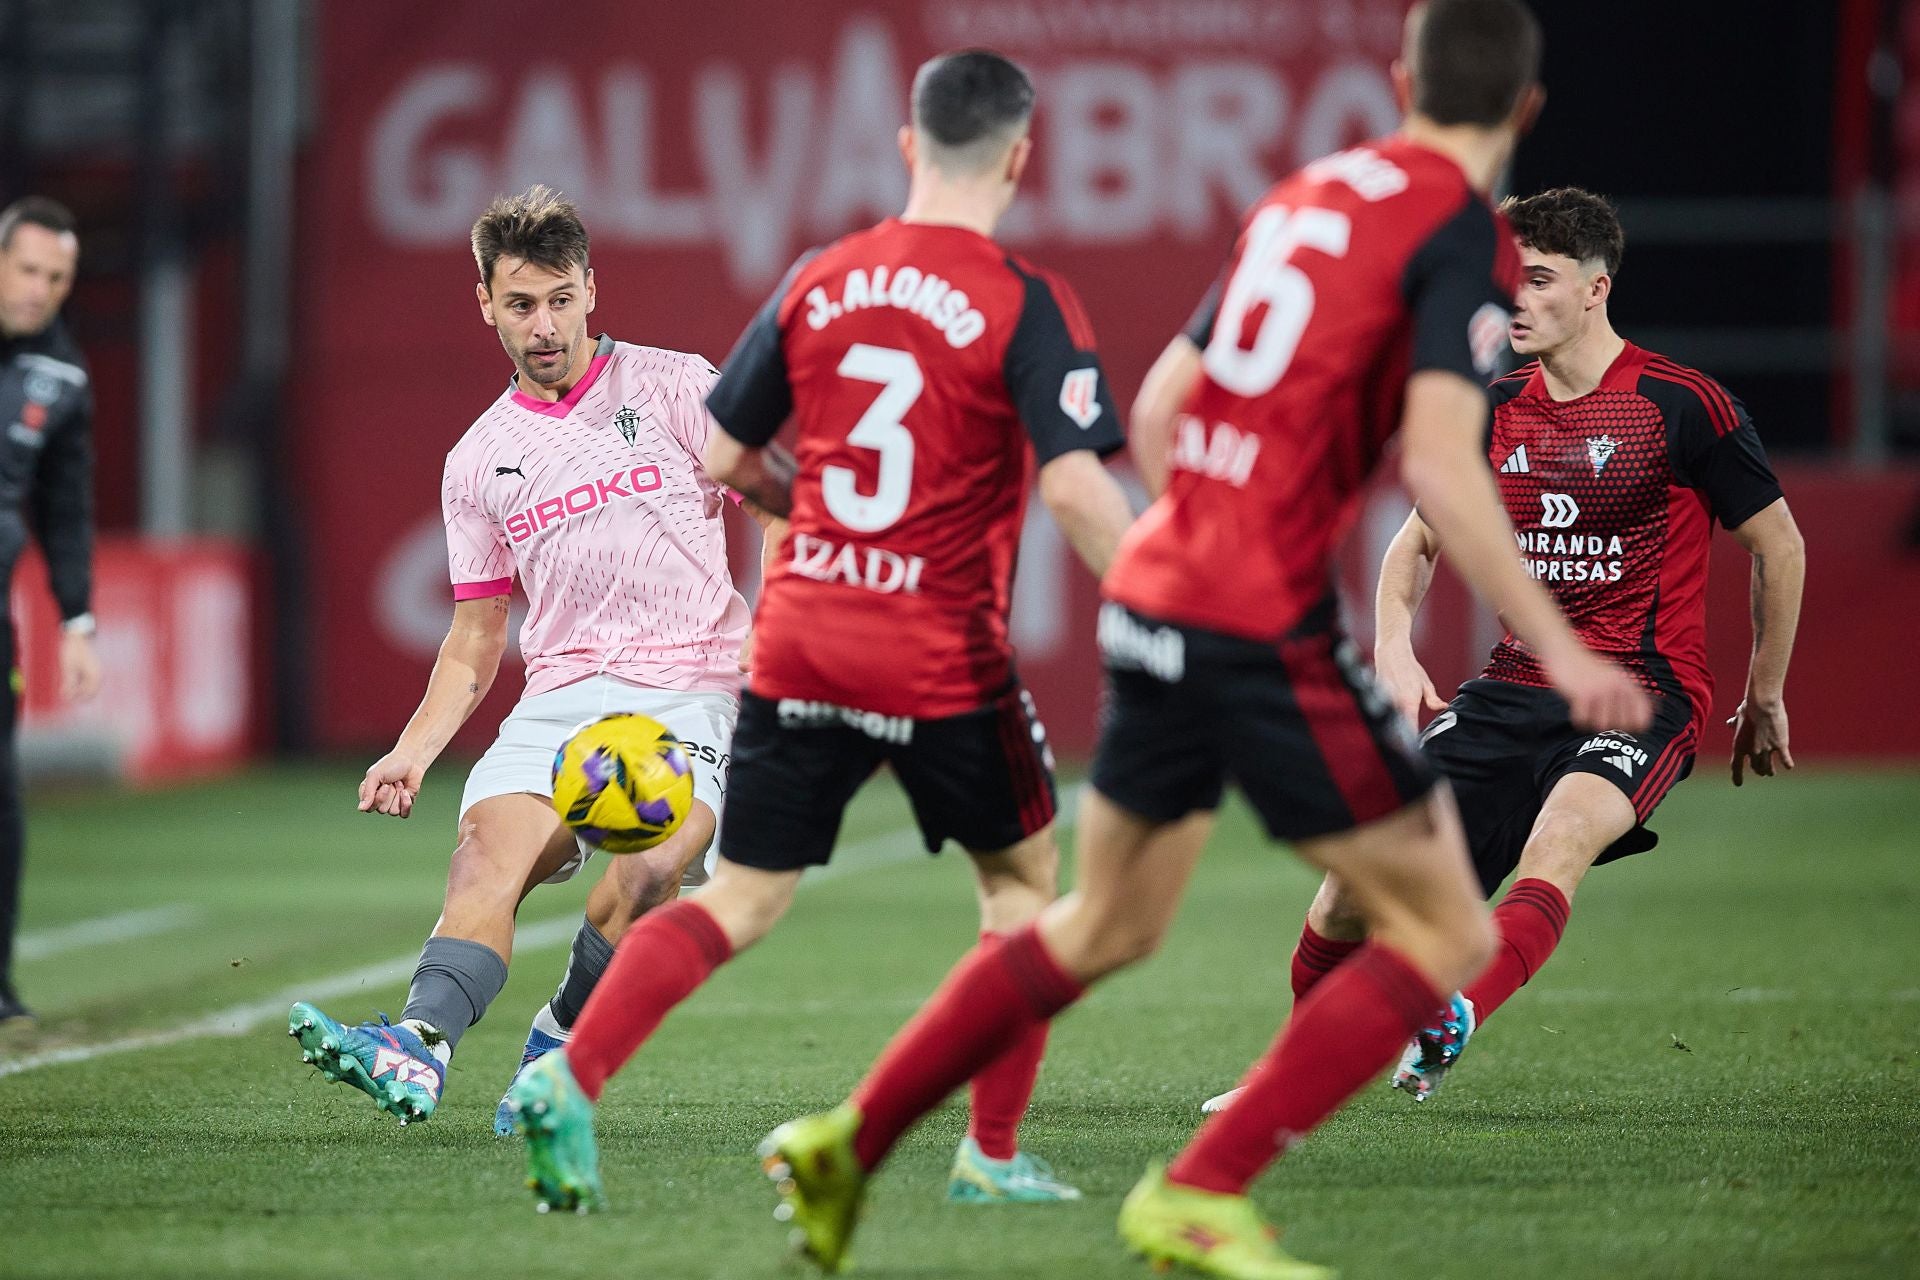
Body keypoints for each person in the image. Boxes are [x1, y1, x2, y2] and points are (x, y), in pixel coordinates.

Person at [754, 5, 1660, 1277]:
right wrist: (1560, 651)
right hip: (1258, 620)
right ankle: (1197, 1188)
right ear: (1524, 113)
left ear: (1399, 80)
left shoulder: (1298, 197)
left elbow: (1169, 404)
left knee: (1101, 923)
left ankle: (851, 1136)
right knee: (1451, 932)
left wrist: (1219, 518)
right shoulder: (1458, 236)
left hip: (1159, 593)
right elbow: (1447, 467)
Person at [502, 49, 1136, 1214]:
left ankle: (571, 1077)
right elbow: (1080, 491)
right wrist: (1166, 594)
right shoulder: (1025, 297)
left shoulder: (819, 277)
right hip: (938, 645)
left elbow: (728, 458)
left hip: (798, 638)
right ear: (1020, 156)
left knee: (738, 896)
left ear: (908, 147)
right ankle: (989, 1156)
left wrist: (829, 519)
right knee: (1021, 892)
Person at [1201, 187, 1805, 1115]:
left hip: (1641, 693)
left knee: (1557, 842)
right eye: (1504, 279)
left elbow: (1778, 543)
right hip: (1509, 691)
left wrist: (1764, 694)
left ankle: (1452, 1017)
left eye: (1538, 279)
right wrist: (1396, 651)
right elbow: (1417, 543)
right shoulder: (1493, 408)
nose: (1512, 298)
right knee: (1347, 897)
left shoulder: (1682, 405)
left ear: (1597, 289)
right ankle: (1289, 1081)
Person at [288, 186, 770, 1130]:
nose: (542, 325)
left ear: (592, 288)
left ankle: (555, 1045)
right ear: (485, 304)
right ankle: (418, 1048)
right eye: (519, 304)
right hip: (559, 698)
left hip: (689, 691)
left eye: (558, 298)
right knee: (481, 860)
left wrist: (788, 640)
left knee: (646, 871)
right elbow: (475, 634)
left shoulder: (678, 387)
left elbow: (777, 500)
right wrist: (413, 749)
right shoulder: (479, 459)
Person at [0, 196, 103, 1027]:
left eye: (56, 278)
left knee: (3, 796)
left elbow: (66, 509)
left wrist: (76, 619)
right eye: (28, 269)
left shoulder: (63, 375)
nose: (39, 289)